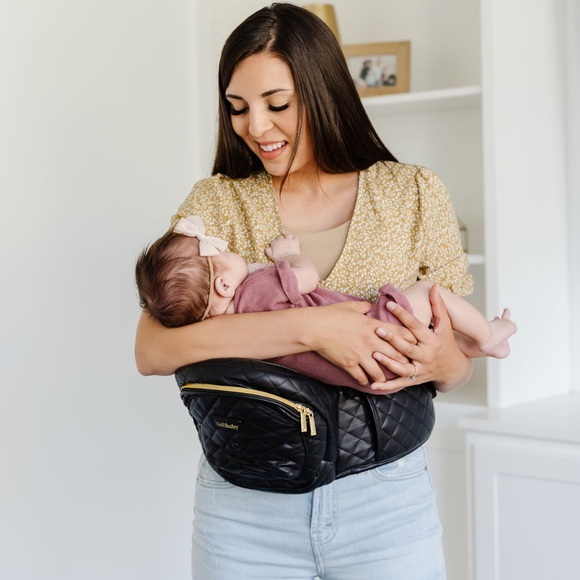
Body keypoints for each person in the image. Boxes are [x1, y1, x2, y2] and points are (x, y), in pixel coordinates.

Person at [134, 3, 494, 578]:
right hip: (245, 511)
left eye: (276, 104)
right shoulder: (217, 203)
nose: (255, 127)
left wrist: (445, 361)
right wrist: (311, 328)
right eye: (237, 108)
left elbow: (456, 371)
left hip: (386, 503)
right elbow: (152, 350)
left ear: (323, 91)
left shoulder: (413, 193)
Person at [136, 217, 516, 394]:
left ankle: (467, 345)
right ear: (223, 283)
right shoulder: (258, 288)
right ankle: (487, 334)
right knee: (430, 293)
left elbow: (451, 371)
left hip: (366, 379)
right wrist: (288, 256)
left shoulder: (229, 329)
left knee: (432, 333)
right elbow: (307, 277)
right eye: (224, 251)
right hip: (380, 332)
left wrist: (449, 362)